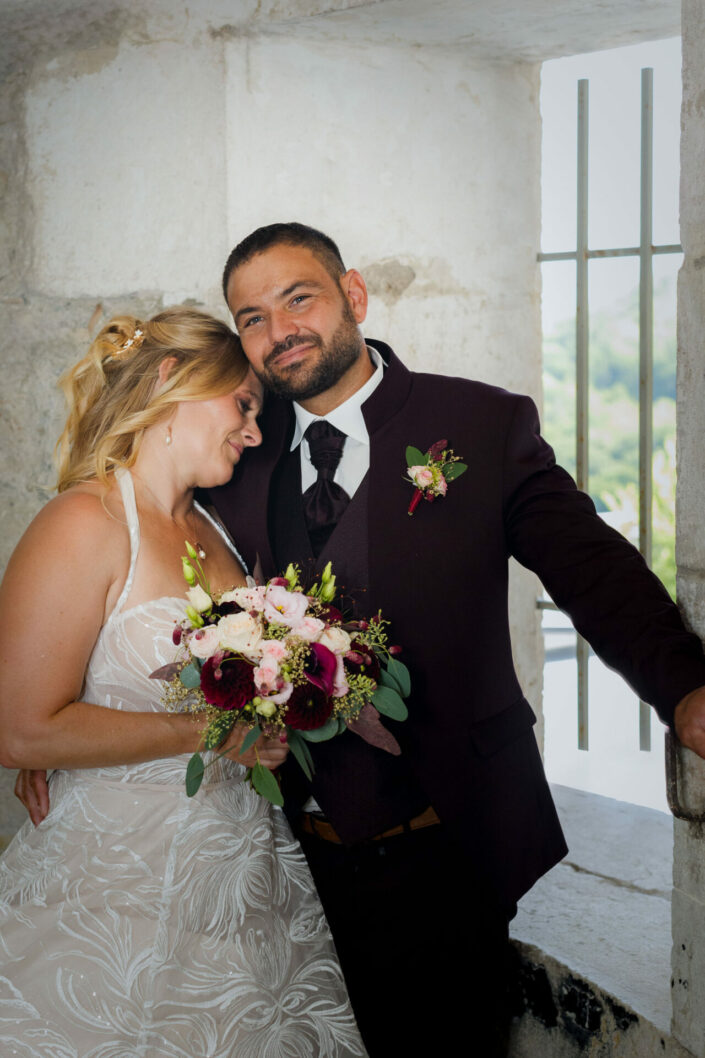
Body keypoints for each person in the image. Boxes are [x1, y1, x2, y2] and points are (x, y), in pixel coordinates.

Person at [208, 222, 705, 1057]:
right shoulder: (237, 454)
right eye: (251, 317)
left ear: (353, 296)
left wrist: (684, 687)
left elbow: (591, 569)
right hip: (287, 850)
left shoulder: (477, 423)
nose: (278, 329)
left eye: (299, 298)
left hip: (446, 839)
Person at [0, 306, 366, 1057]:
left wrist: (267, 724)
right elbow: (20, 729)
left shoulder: (217, 530)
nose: (255, 432)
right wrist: (211, 731)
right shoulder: (83, 522)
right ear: (171, 380)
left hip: (241, 889)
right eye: (243, 406)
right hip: (114, 894)